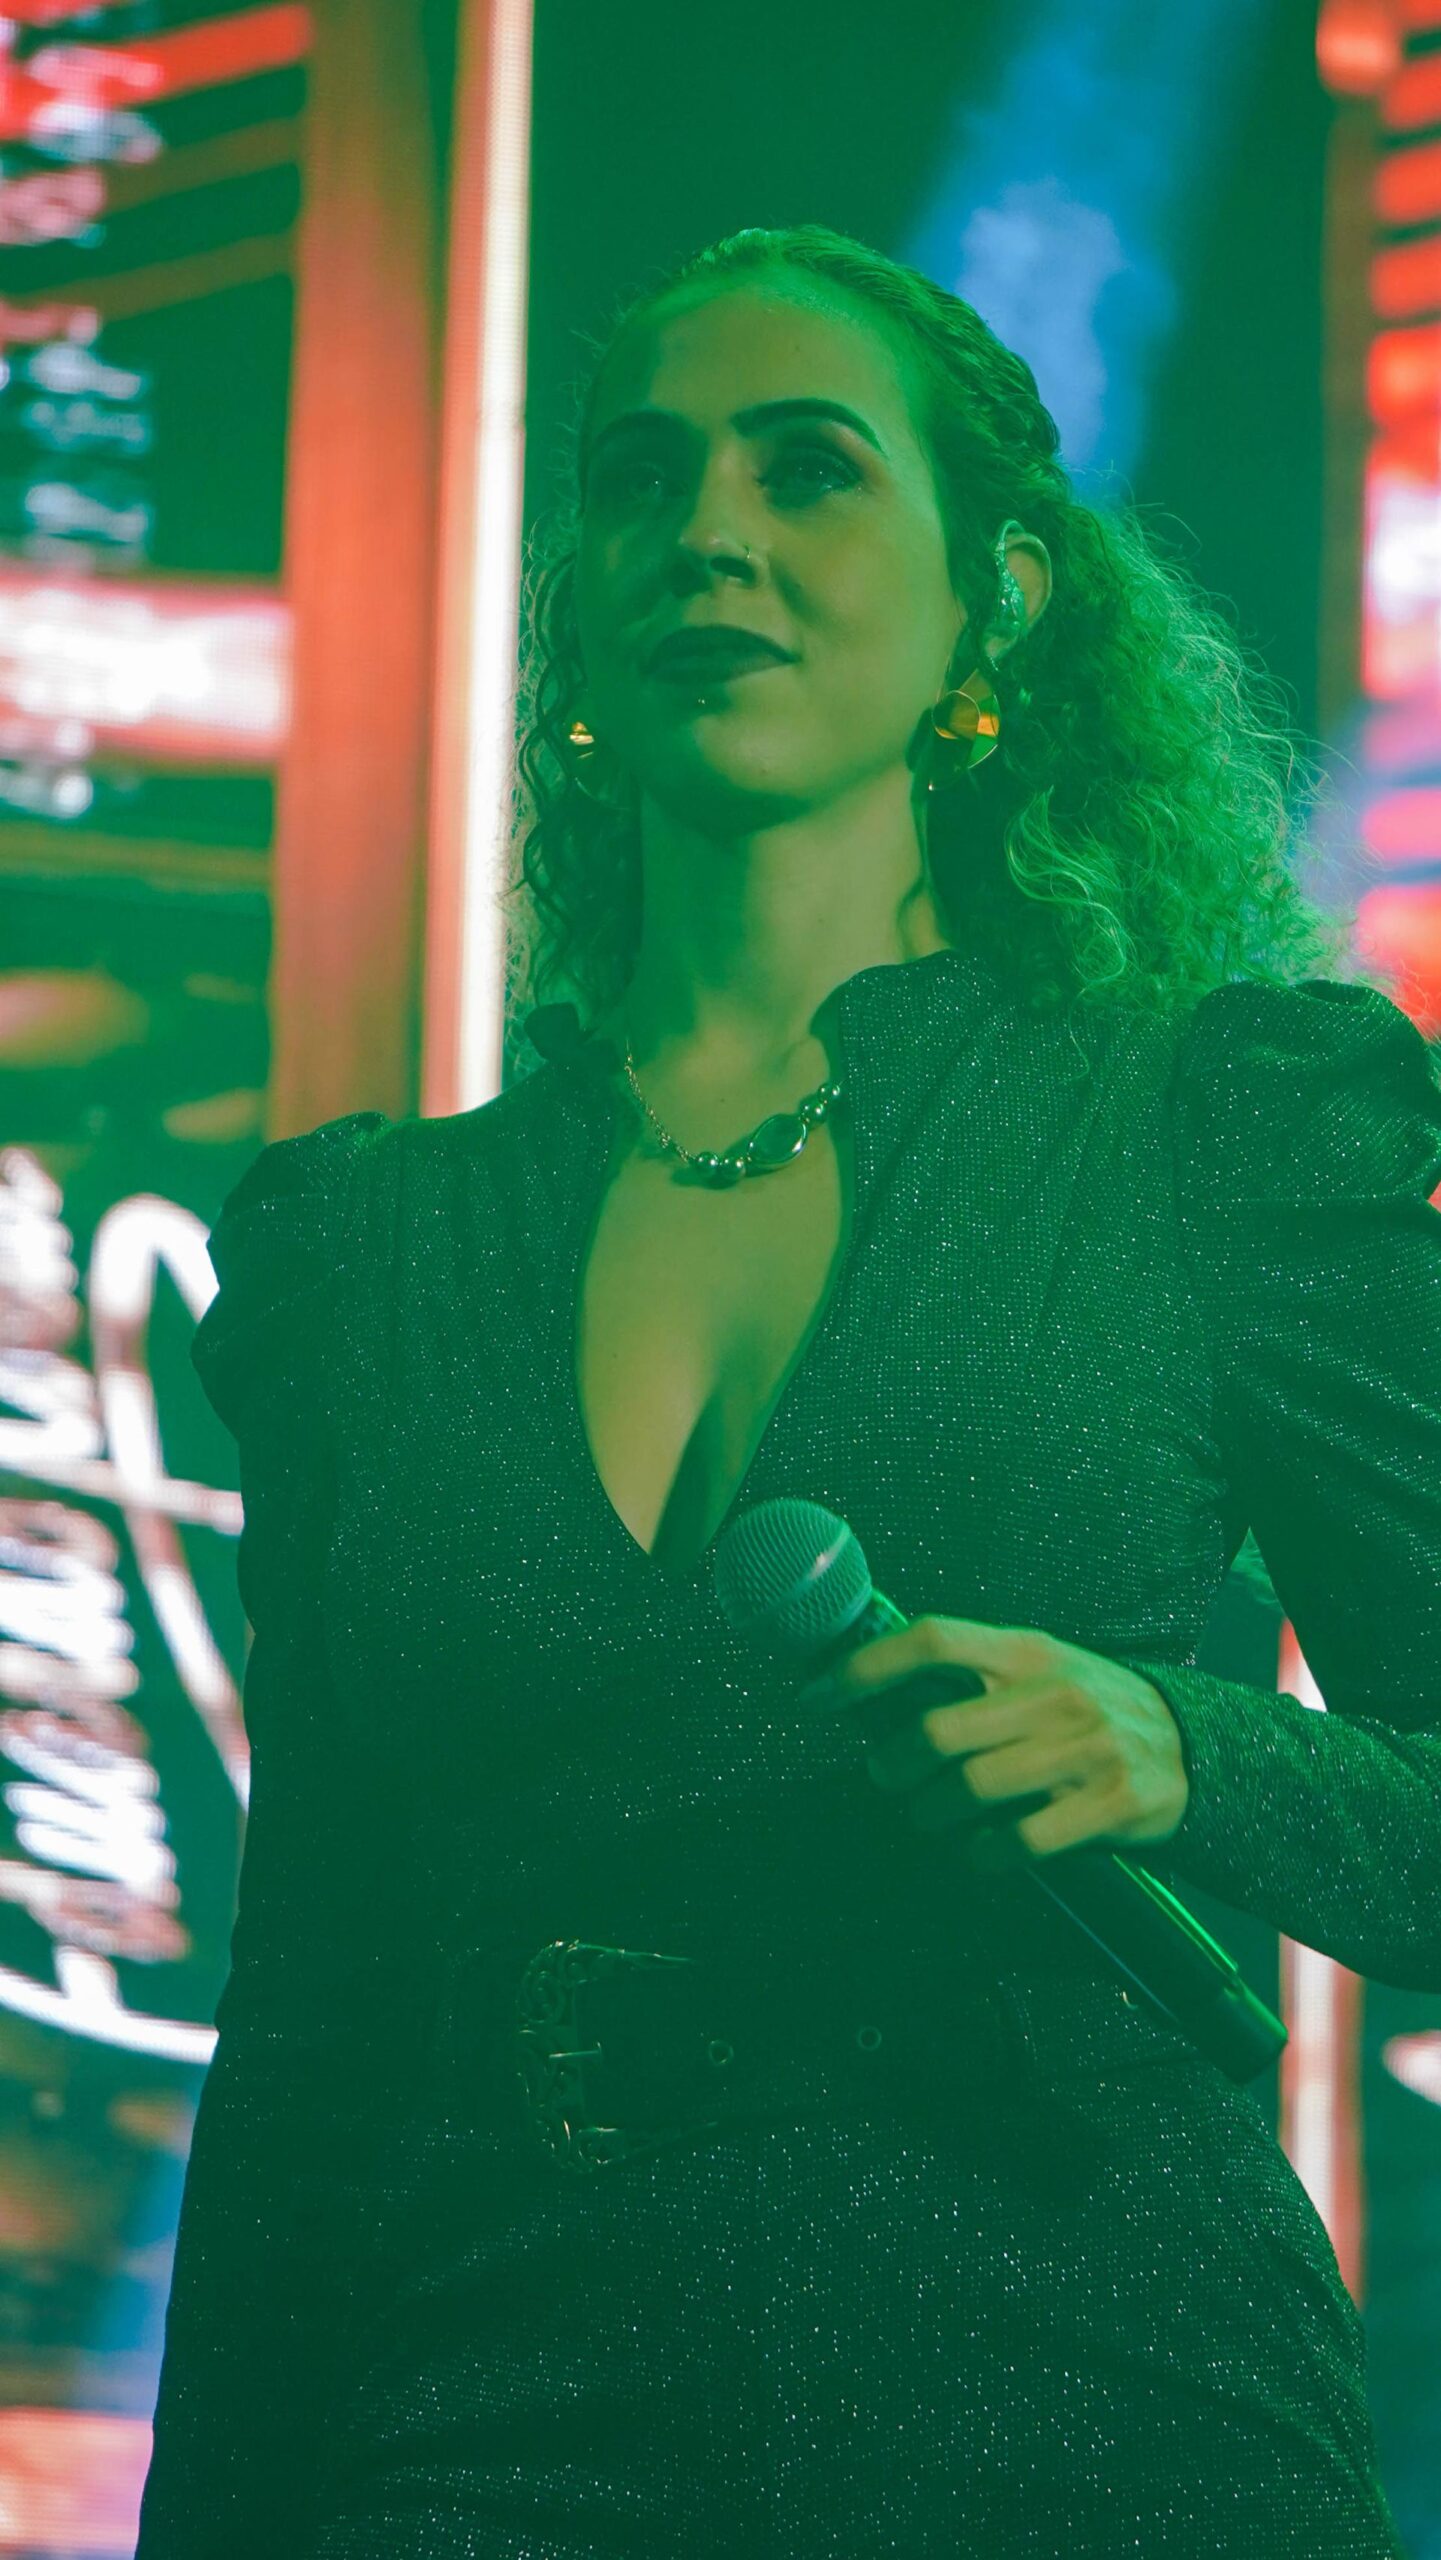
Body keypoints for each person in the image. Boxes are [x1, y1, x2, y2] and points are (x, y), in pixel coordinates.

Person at [135, 225, 1438, 2558]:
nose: (709, 530)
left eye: (807, 468)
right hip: (479, 2418)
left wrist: (1192, 1746)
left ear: (996, 599)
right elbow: (314, 2002)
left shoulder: (1207, 1130)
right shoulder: (369, 1253)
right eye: (643, 476)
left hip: (1096, 2404)